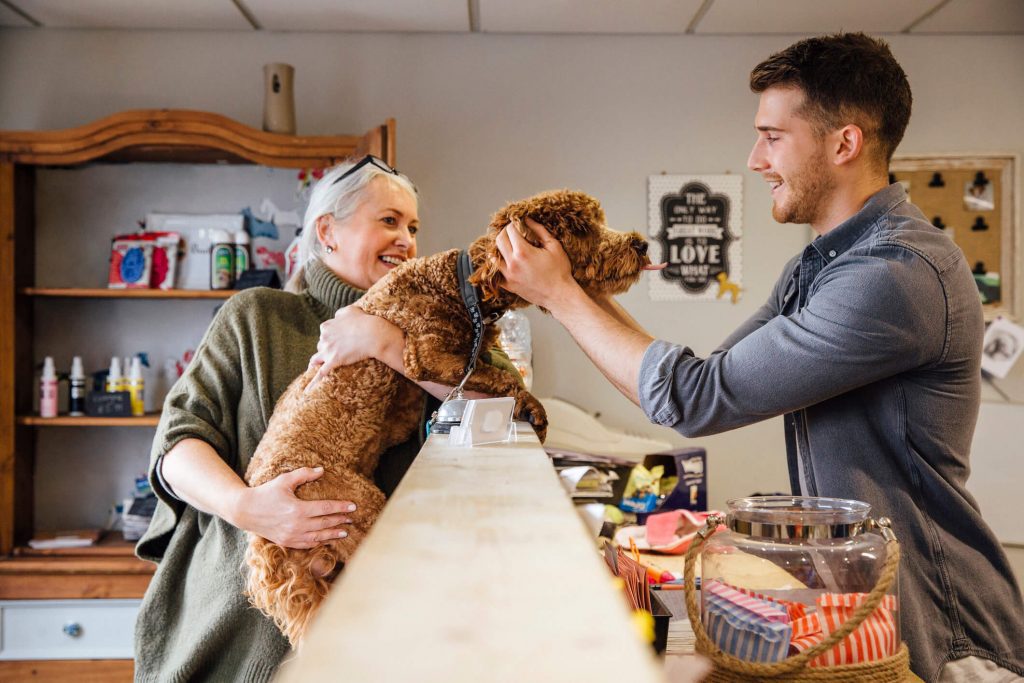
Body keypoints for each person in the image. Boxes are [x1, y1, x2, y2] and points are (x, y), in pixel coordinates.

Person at [493, 33, 1024, 682]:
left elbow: (692, 399)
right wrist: (577, 291)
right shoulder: (822, 265)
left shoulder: (895, 275)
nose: (755, 158)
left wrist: (562, 294)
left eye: (772, 137)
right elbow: (706, 375)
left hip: (949, 638)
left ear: (844, 143)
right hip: (868, 618)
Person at [135, 156, 442, 681]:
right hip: (241, 615)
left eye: (413, 227)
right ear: (328, 231)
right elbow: (177, 447)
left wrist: (387, 342)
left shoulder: (430, 333)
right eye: (389, 221)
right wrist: (249, 508)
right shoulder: (257, 317)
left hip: (384, 618)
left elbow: (497, 402)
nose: (407, 240)